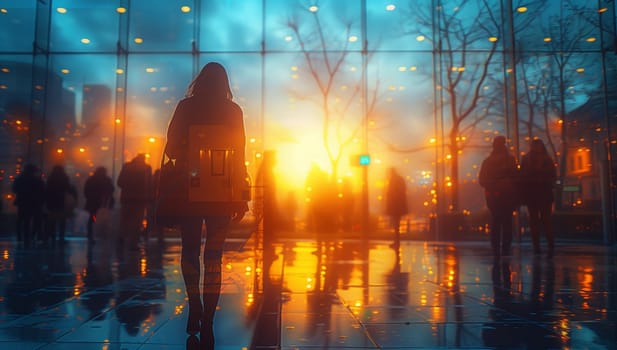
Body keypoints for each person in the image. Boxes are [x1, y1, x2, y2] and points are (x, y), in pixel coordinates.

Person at [165, 62, 249, 347]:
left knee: (189, 250)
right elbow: (239, 154)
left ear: (199, 81)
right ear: (224, 84)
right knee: (214, 255)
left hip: (190, 191)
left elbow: (171, 148)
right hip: (222, 192)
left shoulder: (185, 108)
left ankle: (194, 306)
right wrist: (240, 192)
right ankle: (210, 318)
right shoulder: (233, 112)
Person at [479, 136, 518, 259]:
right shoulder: (510, 160)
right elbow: (517, 177)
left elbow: (482, 180)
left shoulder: (488, 161)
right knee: (507, 222)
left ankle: (496, 248)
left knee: (496, 221)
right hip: (508, 194)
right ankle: (505, 248)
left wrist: (493, 185)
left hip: (494, 195)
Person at [520, 139, 556, 257]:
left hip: (532, 194)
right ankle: (550, 243)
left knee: (534, 220)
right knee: (546, 220)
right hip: (544, 192)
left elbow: (522, 176)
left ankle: (537, 245)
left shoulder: (526, 159)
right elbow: (553, 175)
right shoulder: (547, 159)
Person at [117, 153, 153, 250]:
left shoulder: (127, 167)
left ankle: (121, 240)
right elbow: (150, 184)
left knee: (124, 221)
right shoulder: (147, 168)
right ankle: (133, 243)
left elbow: (119, 182)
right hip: (140, 200)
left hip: (126, 199)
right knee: (137, 223)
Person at [12, 163, 45, 247]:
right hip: (34, 202)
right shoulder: (37, 180)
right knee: (34, 220)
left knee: (22, 220)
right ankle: (33, 236)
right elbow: (42, 191)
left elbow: (14, 189)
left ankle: (21, 237)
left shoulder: (20, 178)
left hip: (22, 202)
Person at [44, 165, 78, 245]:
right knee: (62, 221)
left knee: (52, 221)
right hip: (61, 201)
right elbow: (69, 188)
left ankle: (52, 236)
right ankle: (61, 237)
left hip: (51, 201)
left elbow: (46, 190)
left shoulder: (50, 178)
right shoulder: (64, 178)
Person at [84, 166, 115, 244]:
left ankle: (91, 234)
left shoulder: (91, 180)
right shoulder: (107, 180)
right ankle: (101, 234)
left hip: (93, 204)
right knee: (102, 219)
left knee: (93, 218)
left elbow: (86, 191)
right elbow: (111, 190)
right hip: (103, 204)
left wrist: (90, 198)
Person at [385, 167, 408, 248]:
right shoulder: (400, 179)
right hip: (399, 206)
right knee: (396, 224)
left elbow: (391, 193)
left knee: (396, 225)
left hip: (395, 206)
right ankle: (396, 241)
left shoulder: (393, 181)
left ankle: (396, 241)